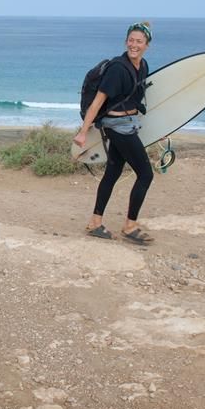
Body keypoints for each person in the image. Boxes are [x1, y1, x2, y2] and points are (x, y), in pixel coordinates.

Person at [74, 22, 154, 245]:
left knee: (113, 172)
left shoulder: (142, 65)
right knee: (146, 174)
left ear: (147, 45)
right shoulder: (118, 69)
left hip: (130, 122)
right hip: (118, 127)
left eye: (139, 41)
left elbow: (137, 99)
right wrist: (82, 133)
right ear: (126, 41)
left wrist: (161, 128)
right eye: (131, 40)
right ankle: (130, 226)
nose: (134, 45)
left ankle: (95, 222)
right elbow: (97, 103)